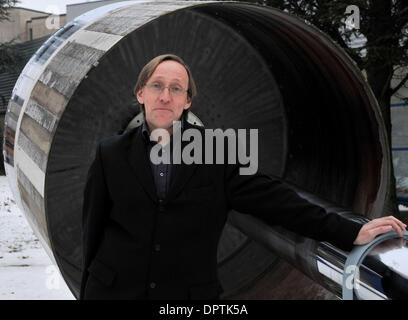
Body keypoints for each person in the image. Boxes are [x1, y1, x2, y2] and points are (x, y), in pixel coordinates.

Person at [80, 53, 407, 300]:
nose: (165, 96)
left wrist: (351, 230)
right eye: (157, 86)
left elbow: (277, 200)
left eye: (176, 89)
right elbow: (92, 233)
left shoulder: (216, 154)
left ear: (187, 101)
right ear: (141, 94)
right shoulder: (109, 154)